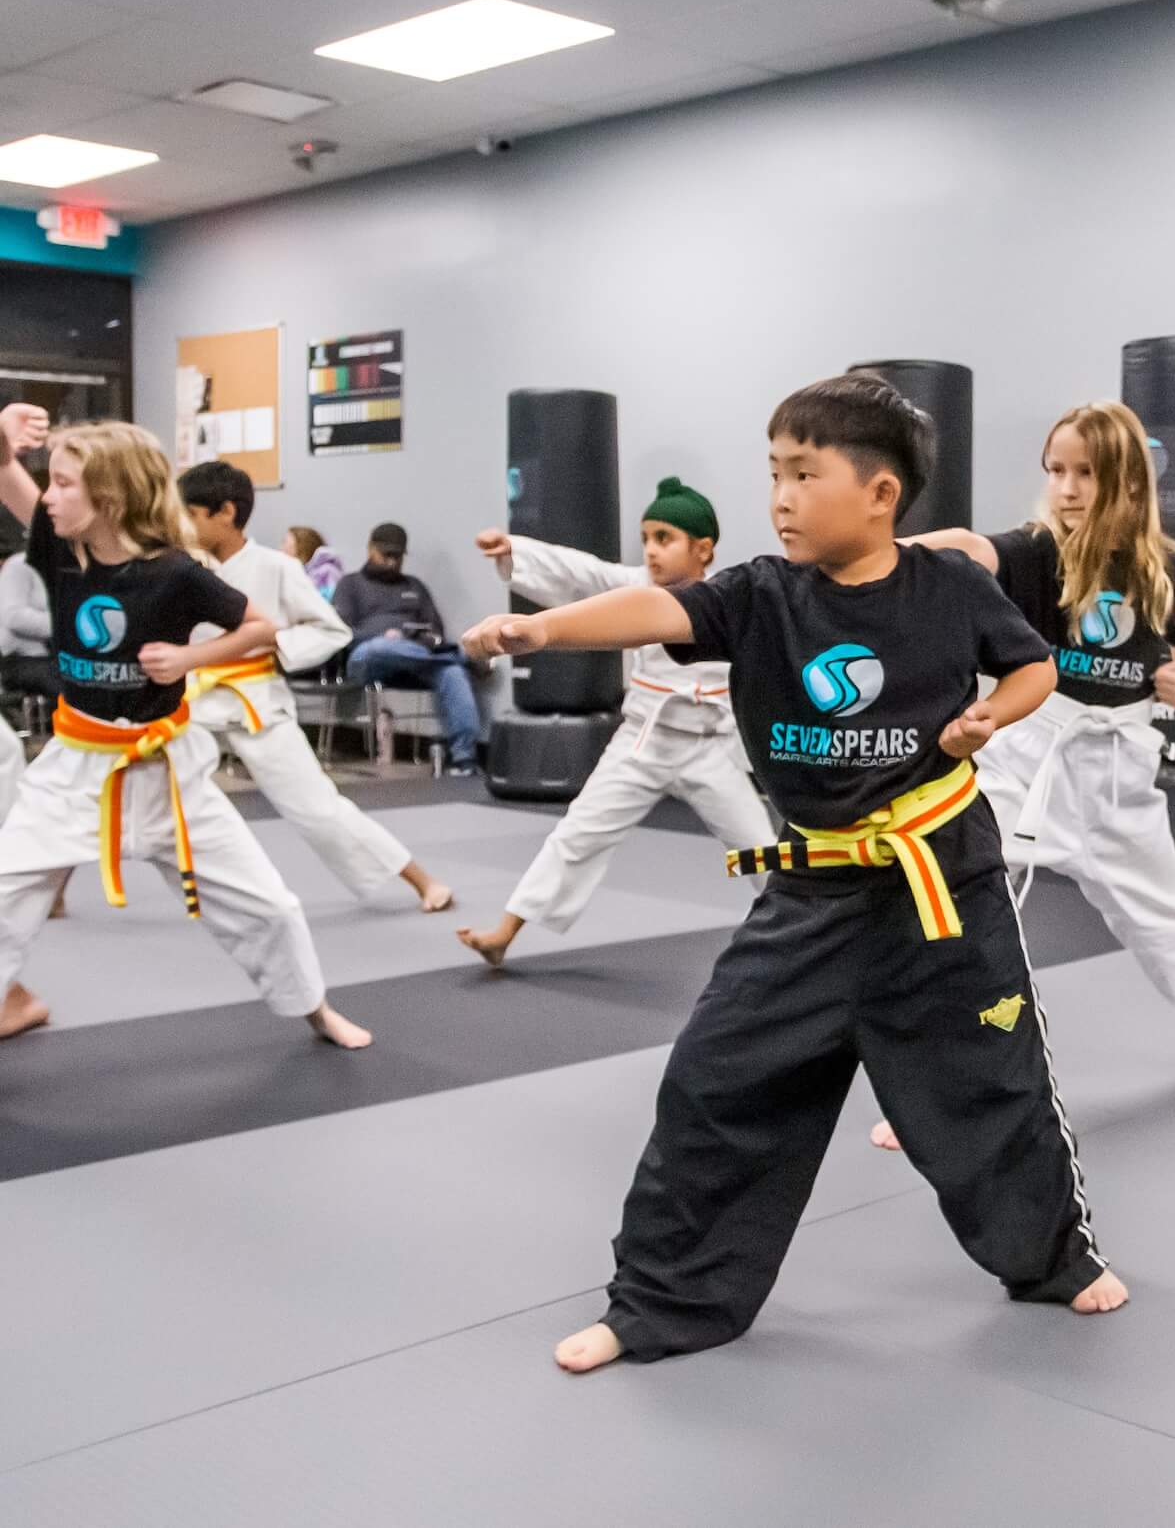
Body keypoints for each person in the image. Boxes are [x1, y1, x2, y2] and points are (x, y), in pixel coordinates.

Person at [461, 373, 1123, 1375]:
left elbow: (1033, 664)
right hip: (811, 891)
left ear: (881, 491)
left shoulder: (950, 588)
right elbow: (652, 605)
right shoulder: (761, 593)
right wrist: (542, 627)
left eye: (803, 473)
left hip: (942, 885)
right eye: (773, 471)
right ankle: (660, 1302)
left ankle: (1050, 1257)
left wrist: (997, 713)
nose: (779, 495)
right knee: (712, 1083)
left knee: (995, 1083)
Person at [867, 399, 1175, 1154]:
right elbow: (971, 547)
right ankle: (935, 1089)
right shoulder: (1041, 550)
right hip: (1028, 755)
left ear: (1129, 482)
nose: (1067, 487)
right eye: (1056, 470)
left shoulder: (1162, 566)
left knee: (1167, 913)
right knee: (965, 907)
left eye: (1086, 473)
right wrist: (874, 548)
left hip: (1118, 771)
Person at [0, 406, 369, 1048]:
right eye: (50, 480)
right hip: (72, 768)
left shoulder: (175, 571)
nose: (49, 496)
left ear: (110, 497)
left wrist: (189, 658)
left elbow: (258, 626)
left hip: (170, 774)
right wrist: (6, 440)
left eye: (63, 483)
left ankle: (315, 1009)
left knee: (270, 907)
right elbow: (6, 473)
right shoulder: (59, 548)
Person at [456, 476, 773, 968]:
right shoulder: (636, 590)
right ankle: (504, 933)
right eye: (646, 538)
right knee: (579, 832)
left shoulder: (728, 601)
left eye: (663, 539)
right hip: (642, 741)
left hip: (711, 749)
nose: (650, 550)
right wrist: (515, 550)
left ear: (703, 548)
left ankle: (805, 939)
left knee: (763, 848)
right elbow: (583, 574)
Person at [177, 461, 455, 913]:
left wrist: (275, 640)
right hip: (191, 702)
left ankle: (422, 881)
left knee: (319, 809)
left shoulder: (278, 568)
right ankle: (53, 886)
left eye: (190, 514)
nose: (182, 525)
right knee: (130, 784)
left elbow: (331, 632)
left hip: (257, 702)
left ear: (225, 512)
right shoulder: (182, 568)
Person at [332, 520, 481, 773]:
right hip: (367, 657)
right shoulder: (351, 584)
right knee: (383, 646)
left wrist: (412, 637)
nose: (392, 561)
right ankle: (461, 656)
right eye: (386, 554)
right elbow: (340, 632)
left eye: (397, 556)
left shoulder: (414, 586)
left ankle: (464, 759)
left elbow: (435, 632)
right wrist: (384, 635)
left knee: (452, 674)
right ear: (371, 549)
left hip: (416, 658)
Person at [286, 525, 345, 599]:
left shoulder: (328, 571)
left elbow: (332, 602)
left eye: (285, 542)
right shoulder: (299, 572)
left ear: (301, 546)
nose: (282, 549)